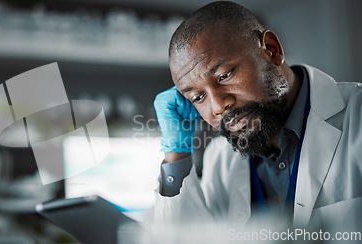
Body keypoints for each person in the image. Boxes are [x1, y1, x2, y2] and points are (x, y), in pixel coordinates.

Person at [151, 0, 362, 232]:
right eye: (198, 97)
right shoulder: (219, 161)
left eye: (225, 75)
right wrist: (177, 154)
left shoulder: (357, 117)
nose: (218, 106)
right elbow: (187, 238)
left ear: (272, 50)